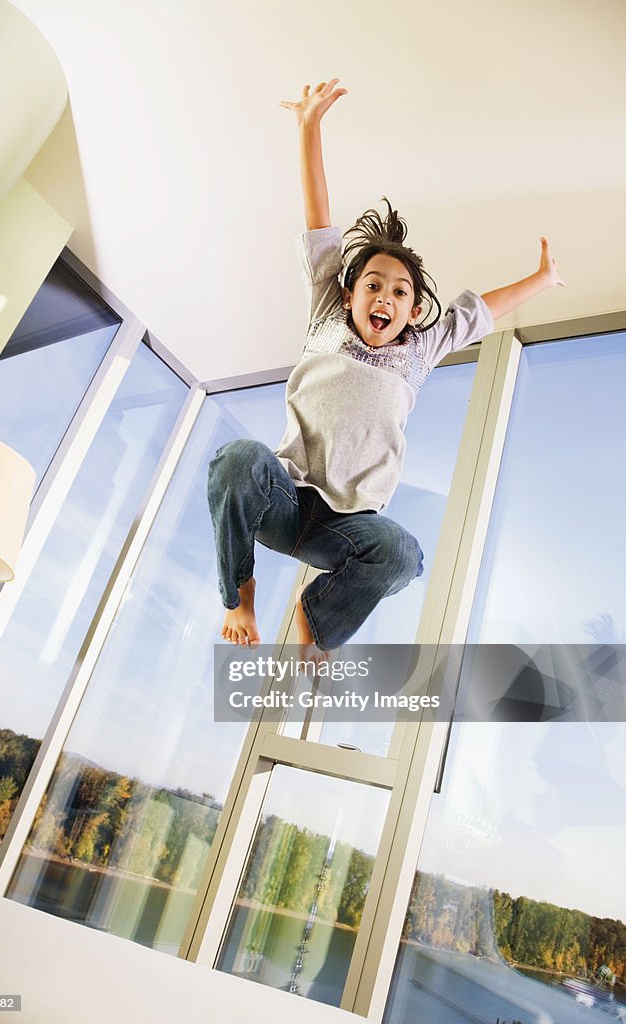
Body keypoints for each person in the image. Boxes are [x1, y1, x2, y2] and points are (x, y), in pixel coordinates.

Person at [208, 79, 564, 652]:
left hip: (343, 530)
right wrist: (309, 127)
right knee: (236, 459)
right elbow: (319, 217)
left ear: (414, 310)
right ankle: (240, 595)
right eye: (373, 285)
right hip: (284, 497)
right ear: (350, 293)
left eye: (399, 293)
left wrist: (541, 279)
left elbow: (481, 311)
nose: (385, 298)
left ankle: (314, 623)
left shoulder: (419, 352)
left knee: (403, 554)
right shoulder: (327, 311)